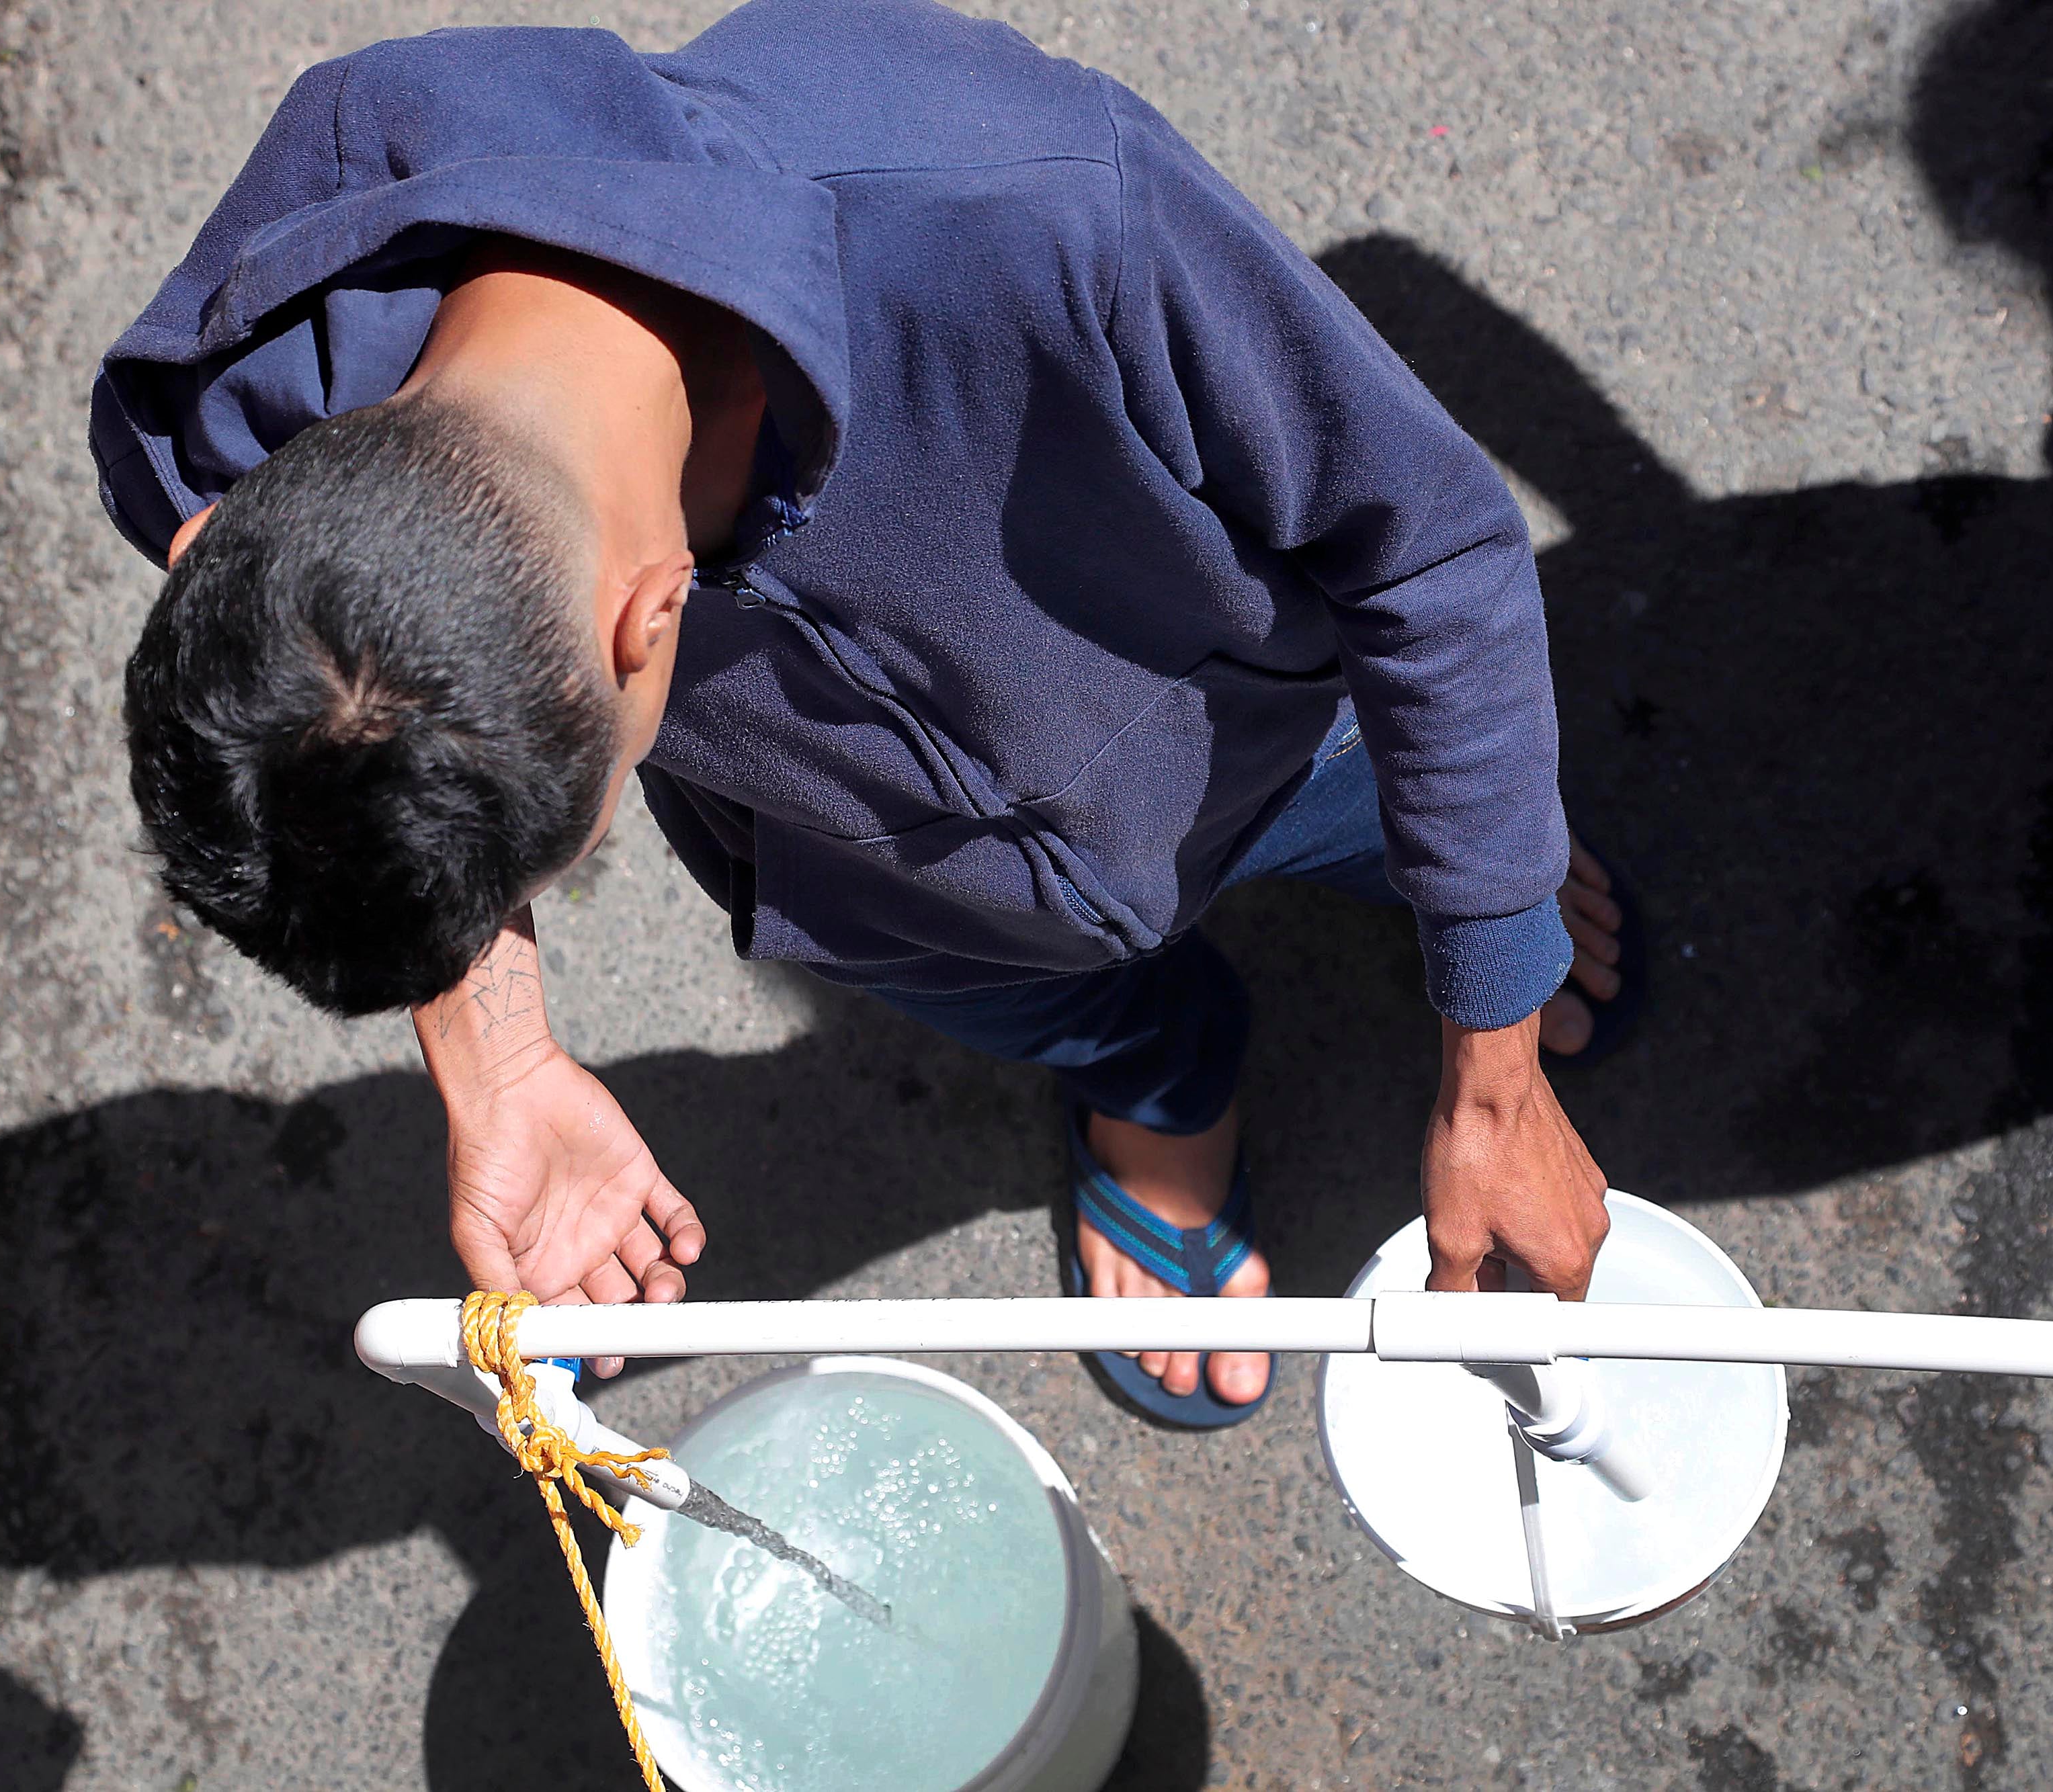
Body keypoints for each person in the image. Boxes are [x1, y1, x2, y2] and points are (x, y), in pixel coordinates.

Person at [94, 0, 1630, 1428]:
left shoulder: (1020, 209)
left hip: (1264, 717)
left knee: (1427, 800)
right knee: (1055, 990)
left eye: (566, 843)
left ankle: (1462, 872)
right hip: (885, 889)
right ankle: (1163, 1087)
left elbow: (1424, 548)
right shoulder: (230, 419)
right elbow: (315, 714)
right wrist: (492, 1060)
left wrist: (1490, 1053)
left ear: (650, 624)